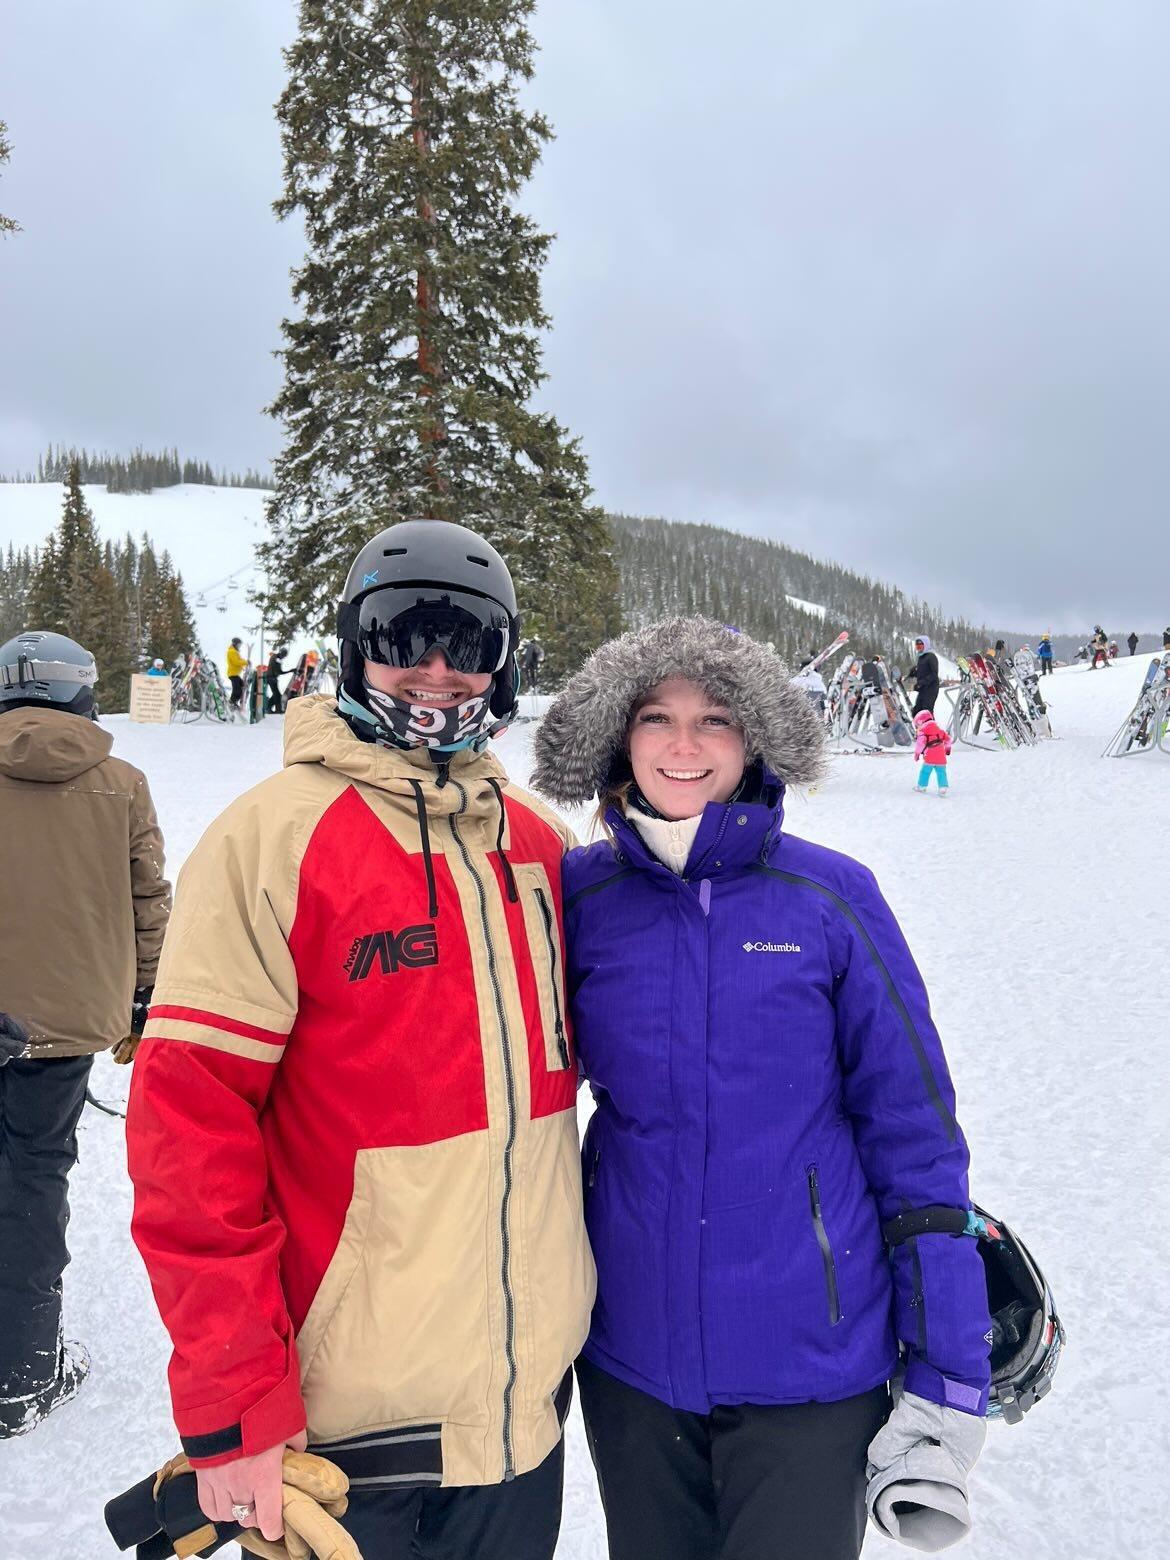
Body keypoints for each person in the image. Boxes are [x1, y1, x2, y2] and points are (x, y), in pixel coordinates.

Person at [127, 520, 593, 1560]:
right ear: (352, 645)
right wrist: (236, 1410)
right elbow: (187, 1133)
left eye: (467, 643)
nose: (435, 670)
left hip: (519, 1428)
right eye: (404, 634)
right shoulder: (274, 839)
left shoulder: (540, 844)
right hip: (346, 1446)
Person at [532, 618, 990, 1560]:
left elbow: (916, 1138)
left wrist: (947, 1374)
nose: (684, 745)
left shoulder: (831, 899)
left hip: (812, 1369)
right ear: (621, 735)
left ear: (756, 740)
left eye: (716, 718)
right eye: (657, 716)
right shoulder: (574, 899)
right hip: (631, 1365)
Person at [0, 630, 169, 1438]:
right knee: (33, 1183)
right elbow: (148, 903)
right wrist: (144, 999)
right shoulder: (122, 783)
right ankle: (24, 1371)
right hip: (63, 1025)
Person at [914, 709, 953, 795]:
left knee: (925, 772)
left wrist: (917, 754)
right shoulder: (940, 731)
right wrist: (947, 749)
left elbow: (920, 745)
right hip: (941, 758)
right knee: (941, 772)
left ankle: (922, 786)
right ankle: (943, 787)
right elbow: (948, 740)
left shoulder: (923, 733)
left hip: (929, 758)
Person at [908, 633, 940, 715]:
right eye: (917, 644)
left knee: (926, 712)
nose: (918, 646)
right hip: (923, 689)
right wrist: (914, 673)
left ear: (926, 644)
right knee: (916, 711)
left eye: (920, 644)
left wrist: (920, 684)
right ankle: (918, 727)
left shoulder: (931, 657)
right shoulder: (922, 657)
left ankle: (931, 727)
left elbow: (933, 674)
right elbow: (923, 672)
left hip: (930, 689)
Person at [226, 636, 247, 711]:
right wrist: (246, 662)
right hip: (232, 674)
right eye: (239, 645)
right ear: (235, 644)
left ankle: (234, 701)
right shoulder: (232, 652)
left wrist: (245, 663)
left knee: (241, 685)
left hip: (235, 674)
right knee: (237, 690)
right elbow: (236, 662)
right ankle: (232, 702)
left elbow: (239, 660)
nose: (239, 646)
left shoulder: (235, 651)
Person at [265, 646, 287, 714]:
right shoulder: (275, 657)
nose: (283, 657)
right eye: (283, 655)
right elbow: (279, 671)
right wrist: (290, 671)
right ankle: (277, 710)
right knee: (277, 695)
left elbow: (279, 671)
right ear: (281, 653)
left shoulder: (277, 658)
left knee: (276, 694)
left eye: (284, 656)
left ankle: (269, 707)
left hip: (273, 678)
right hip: (271, 678)